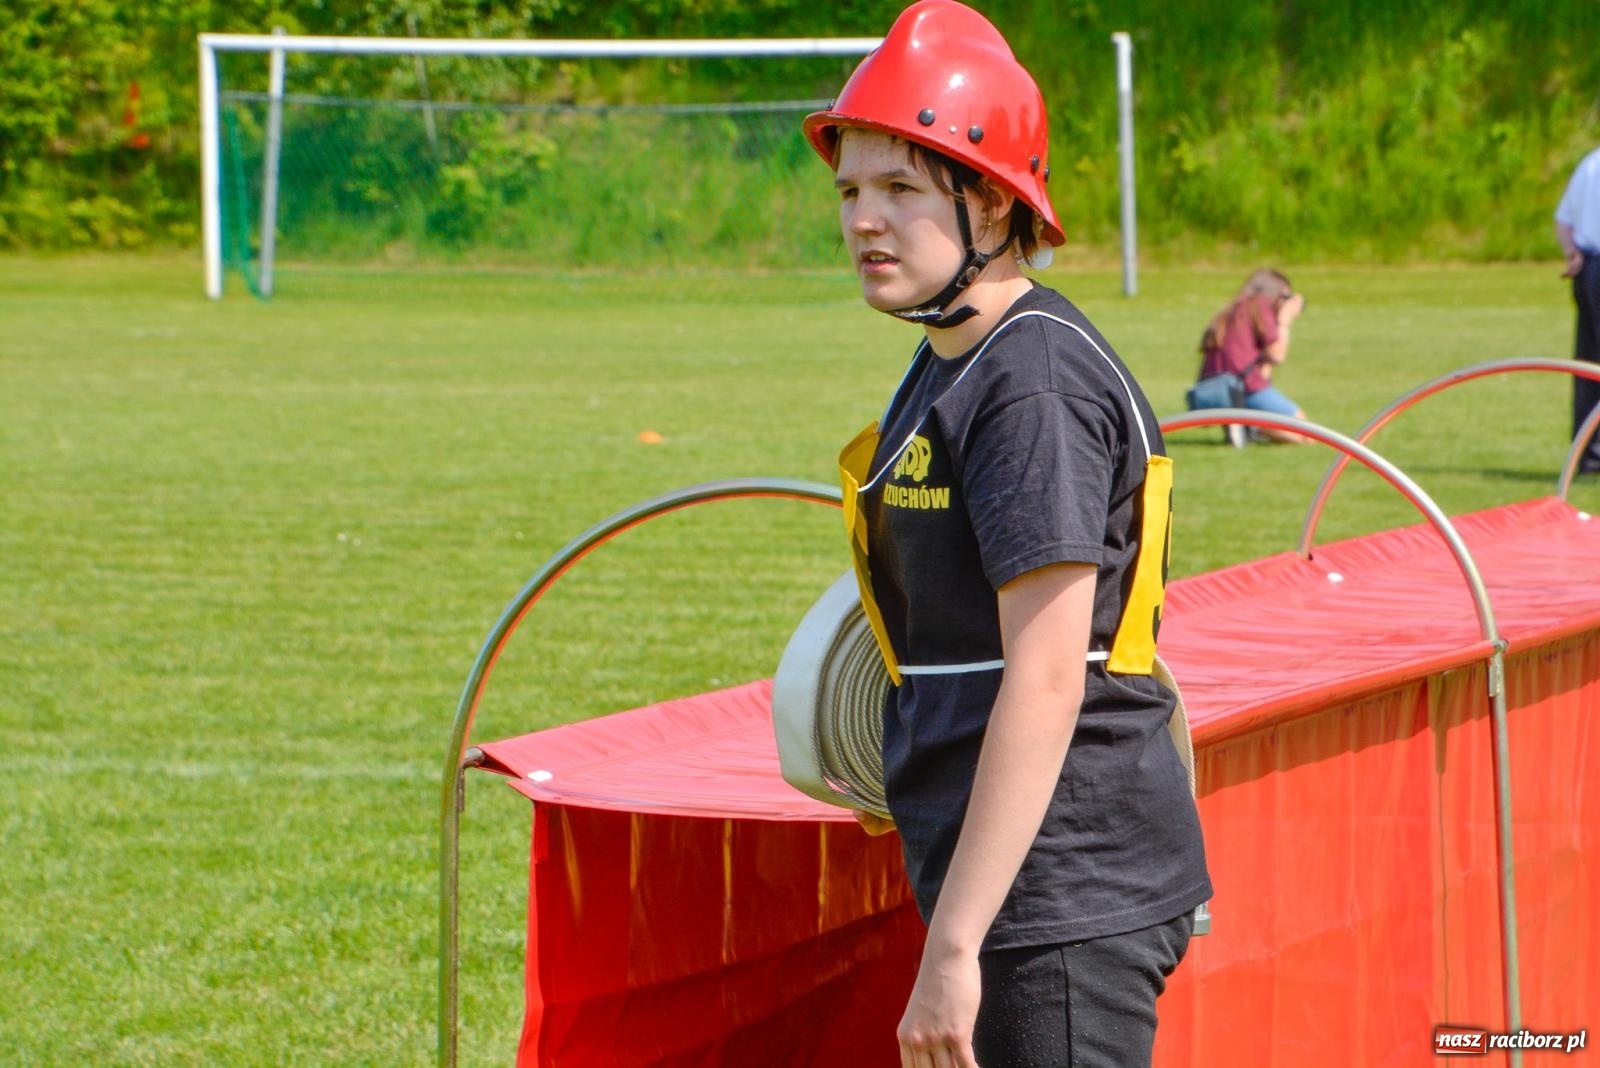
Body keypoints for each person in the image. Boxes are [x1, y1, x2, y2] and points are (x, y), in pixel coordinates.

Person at [802, 3, 1212, 1065]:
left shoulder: (1032, 381)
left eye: (901, 188)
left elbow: (1048, 674)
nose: (864, 220)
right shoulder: (949, 356)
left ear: (988, 199)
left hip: (1063, 892)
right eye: (849, 190)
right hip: (1010, 884)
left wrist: (954, 948)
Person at [1196, 268, 1308, 444]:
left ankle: (1242, 423)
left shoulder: (1236, 307)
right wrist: (1285, 320)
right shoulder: (1260, 306)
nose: (1285, 302)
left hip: (1221, 386)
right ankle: (1249, 426)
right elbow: (1277, 355)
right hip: (1245, 387)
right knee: (1305, 433)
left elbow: (1265, 364)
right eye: (1285, 296)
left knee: (1297, 433)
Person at [1556, 145, 1600, 475]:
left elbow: (1563, 221)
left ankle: (1586, 454)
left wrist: (1572, 253)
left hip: (1586, 268)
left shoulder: (1590, 163)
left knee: (1588, 364)